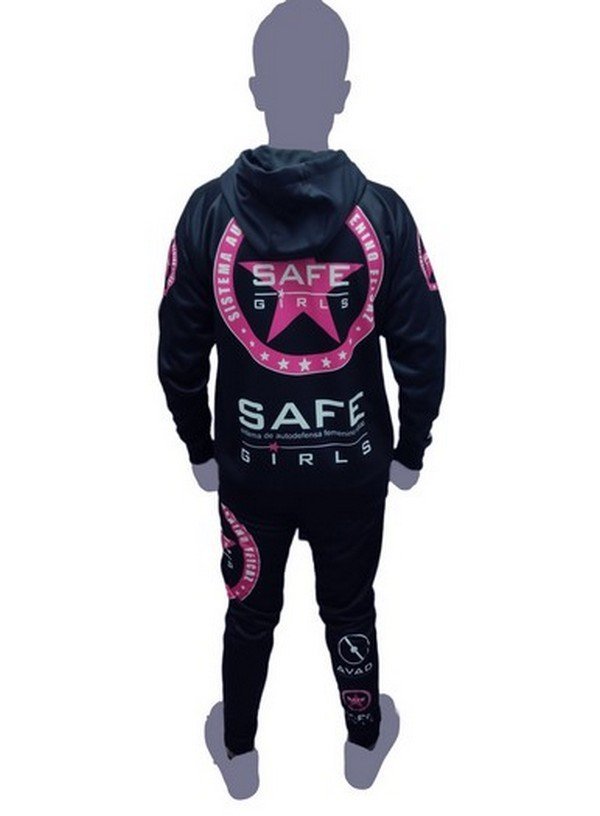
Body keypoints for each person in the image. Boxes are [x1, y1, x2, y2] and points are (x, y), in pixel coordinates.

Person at [157, 0, 446, 797]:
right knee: (350, 607)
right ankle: (363, 745)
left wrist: (200, 447)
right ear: (342, 94)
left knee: (250, 608)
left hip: (250, 465)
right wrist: (410, 449)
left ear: (257, 90)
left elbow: (177, 351)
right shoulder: (383, 213)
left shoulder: (207, 212)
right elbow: (424, 346)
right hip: (355, 463)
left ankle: (239, 756)